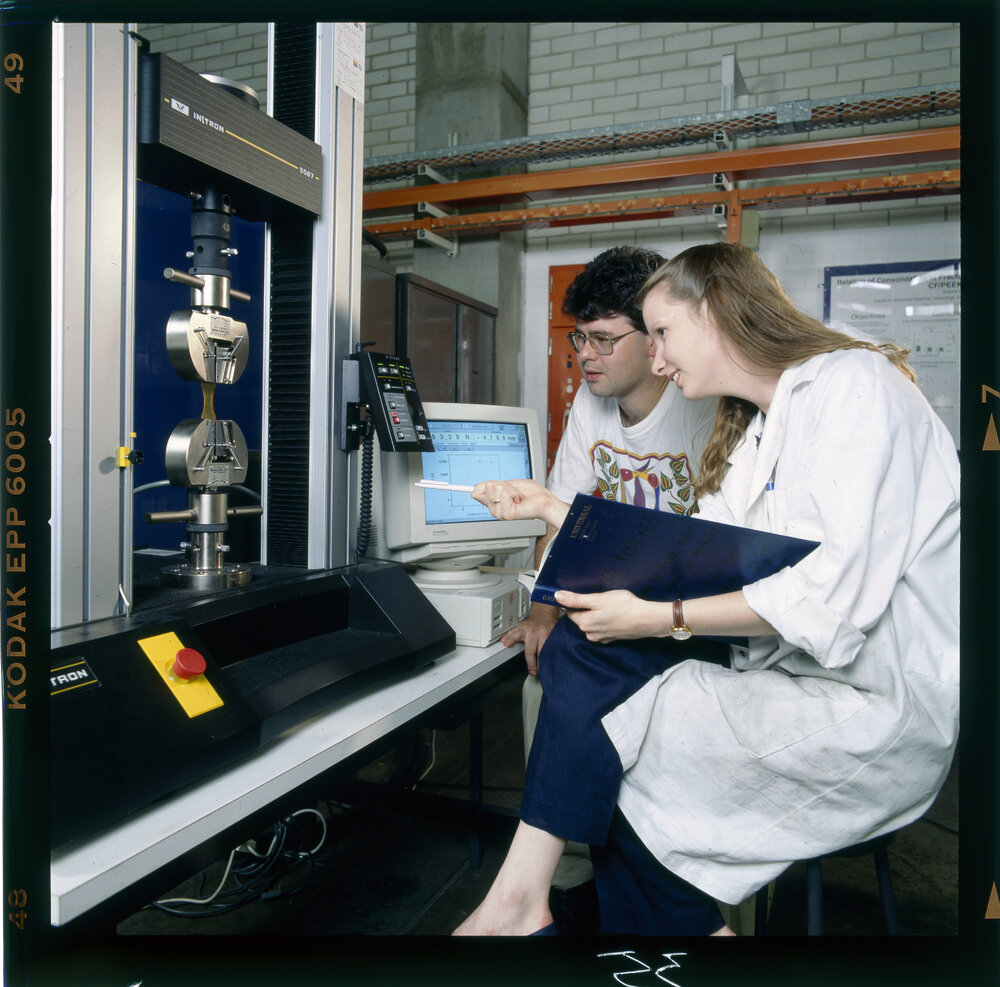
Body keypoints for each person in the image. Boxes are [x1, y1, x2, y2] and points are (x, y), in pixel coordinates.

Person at [455, 241, 959, 936]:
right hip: (791, 667)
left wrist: (659, 618)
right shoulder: (755, 434)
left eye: (662, 333)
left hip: (873, 703)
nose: (657, 359)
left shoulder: (852, 386)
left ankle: (573, 911)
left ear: (717, 311)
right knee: (583, 651)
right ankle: (545, 905)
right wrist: (548, 506)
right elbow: (686, 557)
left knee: (607, 732)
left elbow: (824, 602)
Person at [507, 245, 718, 930]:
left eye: (603, 338)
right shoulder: (589, 409)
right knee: (543, 674)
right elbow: (560, 521)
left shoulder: (704, 408)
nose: (586, 356)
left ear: (655, 341)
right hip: (613, 609)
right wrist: (541, 608)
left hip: (688, 619)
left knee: (601, 680)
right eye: (580, 339)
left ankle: (655, 891)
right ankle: (569, 879)